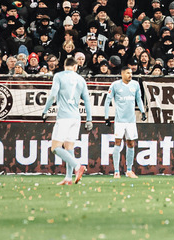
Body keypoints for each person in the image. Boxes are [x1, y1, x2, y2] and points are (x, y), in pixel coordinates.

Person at [40, 57, 94, 186]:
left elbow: (53, 95)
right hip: (76, 118)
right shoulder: (81, 79)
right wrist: (89, 119)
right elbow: (86, 100)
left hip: (64, 117)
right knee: (69, 148)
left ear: (65, 66)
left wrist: (45, 111)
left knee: (55, 148)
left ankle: (77, 166)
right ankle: (68, 178)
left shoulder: (59, 76)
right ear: (75, 67)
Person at [104, 65, 147, 178]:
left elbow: (139, 99)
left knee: (131, 143)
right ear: (122, 74)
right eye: (128, 73)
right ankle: (116, 171)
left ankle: (129, 170)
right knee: (118, 142)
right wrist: (106, 117)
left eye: (131, 73)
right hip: (120, 120)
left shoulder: (135, 84)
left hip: (131, 120)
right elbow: (107, 100)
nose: (130, 75)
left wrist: (142, 112)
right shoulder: (115, 85)